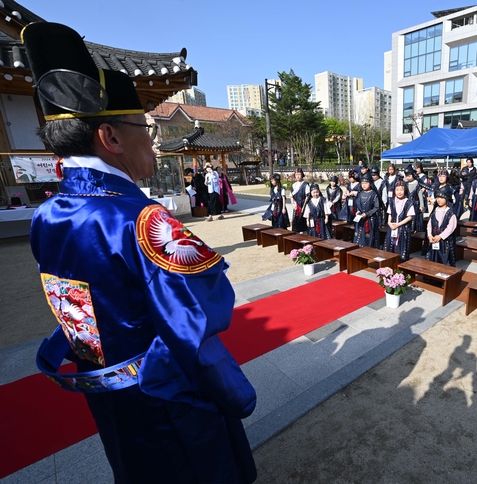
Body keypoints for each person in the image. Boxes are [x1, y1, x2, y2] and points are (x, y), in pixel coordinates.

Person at [24, 22, 256, 483]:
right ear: (110, 138)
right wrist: (231, 392)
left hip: (105, 387)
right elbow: (198, 315)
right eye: (144, 128)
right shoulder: (142, 220)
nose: (151, 140)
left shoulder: (47, 214)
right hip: (166, 394)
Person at [384, 180, 415, 261]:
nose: (399, 192)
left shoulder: (408, 202)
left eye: (401, 190)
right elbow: (389, 213)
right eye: (397, 190)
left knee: (402, 248)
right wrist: (389, 222)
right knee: (390, 246)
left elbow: (409, 217)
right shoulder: (391, 201)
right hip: (392, 227)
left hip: (403, 229)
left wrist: (398, 224)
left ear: (405, 190)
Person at [426, 187, 458, 266]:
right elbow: (429, 225)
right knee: (432, 258)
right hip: (433, 239)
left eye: (442, 197)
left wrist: (440, 236)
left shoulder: (450, 213)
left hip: (445, 242)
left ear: (446, 198)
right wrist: (429, 235)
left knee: (444, 259)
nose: (439, 200)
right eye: (438, 197)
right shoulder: (435, 211)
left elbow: (451, 227)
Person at [353, 173, 381, 248]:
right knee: (358, 236)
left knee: (368, 237)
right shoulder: (360, 193)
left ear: (370, 183)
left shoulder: (374, 194)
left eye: (366, 183)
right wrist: (358, 211)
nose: (364, 185)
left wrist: (367, 214)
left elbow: (376, 207)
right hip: (360, 219)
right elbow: (359, 205)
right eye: (362, 183)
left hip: (370, 220)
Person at [403, 165, 426, 232]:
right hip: (407, 204)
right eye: (406, 176)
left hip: (415, 204)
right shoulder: (406, 184)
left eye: (409, 176)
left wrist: (421, 205)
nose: (408, 177)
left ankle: (414, 230)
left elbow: (420, 195)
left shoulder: (417, 184)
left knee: (415, 218)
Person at [290, 167, 310, 233]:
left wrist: (304, 206)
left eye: (299, 174)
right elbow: (291, 196)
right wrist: (293, 204)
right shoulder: (294, 185)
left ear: (302, 174)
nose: (297, 176)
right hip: (296, 205)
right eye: (296, 174)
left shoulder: (305, 185)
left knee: (303, 220)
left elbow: (308, 196)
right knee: (295, 220)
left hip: (303, 204)